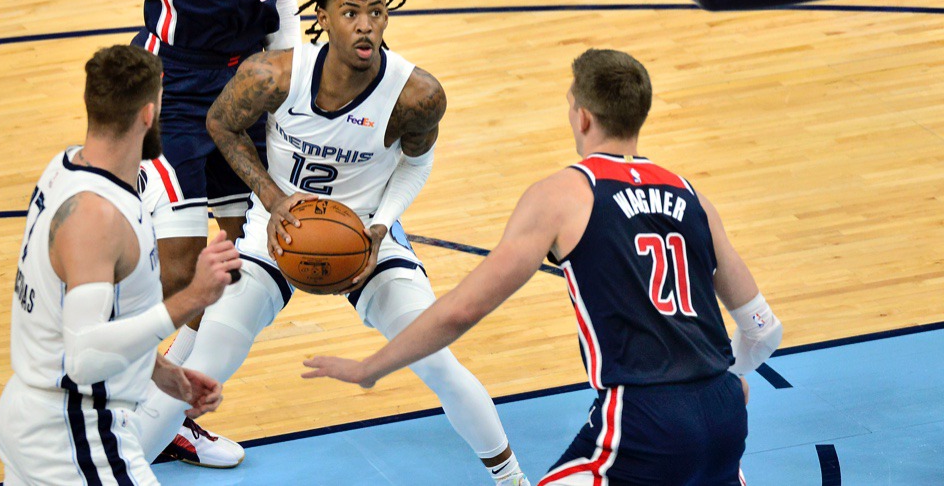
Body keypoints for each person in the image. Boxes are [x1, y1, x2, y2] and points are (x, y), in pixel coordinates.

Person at [132, 0, 531, 486]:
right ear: (324, 16)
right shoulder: (274, 76)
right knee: (199, 369)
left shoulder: (417, 94)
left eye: (376, 11)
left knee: (436, 358)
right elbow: (221, 124)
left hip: (364, 240)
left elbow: (416, 163)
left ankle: (512, 477)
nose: (365, 25)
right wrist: (272, 200)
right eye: (351, 12)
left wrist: (378, 227)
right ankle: (111, 475)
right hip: (275, 238)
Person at [304, 49, 785, 485]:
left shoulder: (563, 195)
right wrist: (724, 376)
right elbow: (764, 329)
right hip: (724, 414)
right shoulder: (691, 194)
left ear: (582, 116)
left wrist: (371, 367)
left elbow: (460, 312)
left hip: (643, 419)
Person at [128, 0, 339, 466]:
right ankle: (121, 403)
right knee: (181, 263)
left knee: (237, 255)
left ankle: (165, 409)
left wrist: (297, 84)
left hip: (246, 86)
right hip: (173, 82)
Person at [0, 45, 242, 486]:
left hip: (42, 417)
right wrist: (193, 298)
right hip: (73, 433)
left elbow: (101, 324)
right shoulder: (96, 216)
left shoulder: (67, 168)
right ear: (149, 113)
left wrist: (162, 372)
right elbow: (85, 358)